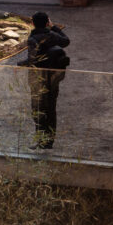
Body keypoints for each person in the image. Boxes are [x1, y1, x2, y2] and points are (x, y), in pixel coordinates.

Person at [25, 11, 70, 149]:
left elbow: (33, 60)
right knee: (51, 109)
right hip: (53, 78)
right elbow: (66, 41)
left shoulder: (33, 39)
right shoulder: (52, 35)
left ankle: (41, 141)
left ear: (32, 23)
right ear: (47, 23)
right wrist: (54, 27)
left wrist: (19, 65)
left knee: (38, 109)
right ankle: (49, 142)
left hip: (38, 78)